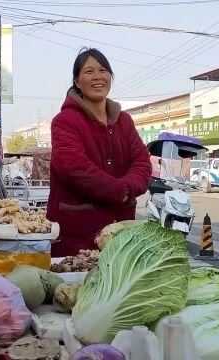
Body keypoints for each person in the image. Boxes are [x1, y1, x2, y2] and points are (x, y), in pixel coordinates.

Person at [47, 48, 152, 257]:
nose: (97, 77)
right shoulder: (65, 121)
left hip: (121, 236)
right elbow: (74, 169)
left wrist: (127, 188)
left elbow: (142, 163)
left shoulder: (124, 121)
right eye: (89, 71)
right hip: (77, 237)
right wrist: (119, 191)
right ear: (77, 81)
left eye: (103, 70)